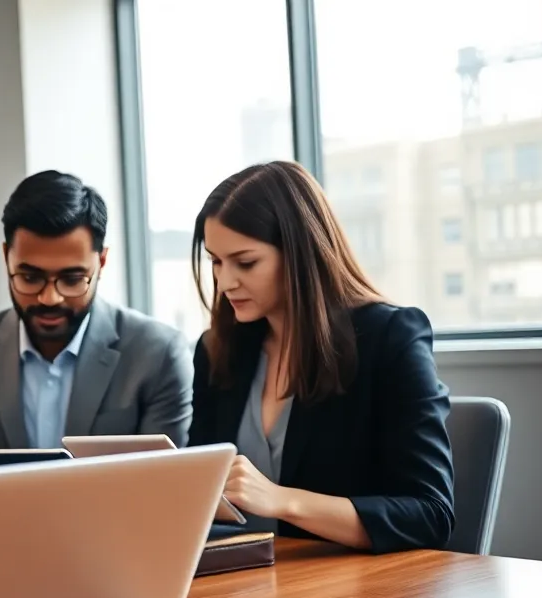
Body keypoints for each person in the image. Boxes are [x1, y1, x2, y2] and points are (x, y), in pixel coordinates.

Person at [188, 160, 454, 553]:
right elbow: (200, 493)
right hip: (243, 576)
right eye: (215, 261)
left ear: (300, 254)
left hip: (348, 580)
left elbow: (430, 514)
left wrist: (283, 500)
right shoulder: (218, 350)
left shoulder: (389, 338)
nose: (224, 281)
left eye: (245, 262)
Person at [0, 170, 193, 468]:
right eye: (30, 278)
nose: (50, 298)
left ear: (101, 262)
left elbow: (160, 482)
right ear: (6, 257)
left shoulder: (158, 354)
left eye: (72, 279)